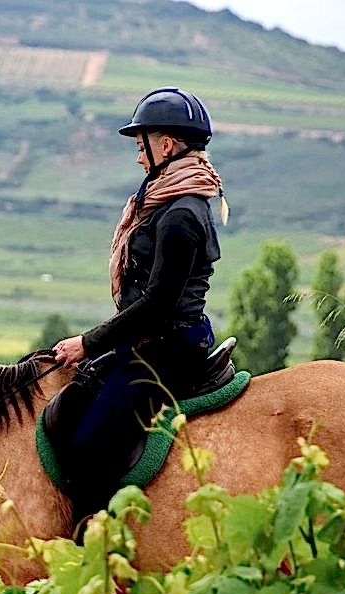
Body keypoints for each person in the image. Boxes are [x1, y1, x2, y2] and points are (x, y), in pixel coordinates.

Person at [51, 87, 227, 526]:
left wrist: (87, 343)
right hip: (151, 341)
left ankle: (101, 540)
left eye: (140, 146)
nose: (137, 157)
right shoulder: (167, 204)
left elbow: (156, 306)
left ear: (165, 145)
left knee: (88, 445)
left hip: (167, 346)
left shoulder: (180, 215)